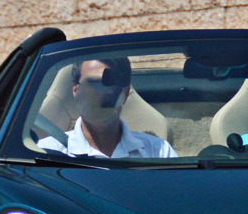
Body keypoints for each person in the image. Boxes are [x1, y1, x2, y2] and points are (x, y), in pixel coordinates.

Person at [38, 58, 176, 158]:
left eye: (111, 83)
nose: (103, 92)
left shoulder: (159, 152)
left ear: (125, 93)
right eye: (93, 83)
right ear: (75, 89)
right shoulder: (46, 153)